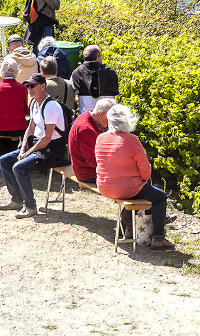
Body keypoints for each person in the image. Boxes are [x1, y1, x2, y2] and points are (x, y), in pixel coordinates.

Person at [95, 104, 174, 249]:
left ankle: (129, 229)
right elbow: (145, 173)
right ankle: (158, 236)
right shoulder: (131, 139)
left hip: (105, 185)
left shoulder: (101, 138)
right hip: (126, 188)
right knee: (160, 196)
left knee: (135, 190)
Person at [0, 73, 69, 219]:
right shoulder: (34, 103)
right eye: (27, 85)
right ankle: (17, 200)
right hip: (38, 146)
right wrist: (23, 149)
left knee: (19, 167)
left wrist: (27, 152)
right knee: (4, 160)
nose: (29, 88)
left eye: (32, 85)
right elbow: (30, 129)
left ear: (43, 86)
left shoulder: (51, 107)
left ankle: (30, 206)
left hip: (53, 151)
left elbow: (47, 138)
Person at [0, 56, 29, 156]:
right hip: (19, 126)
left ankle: (2, 158)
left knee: (3, 140)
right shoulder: (23, 88)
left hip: (0, 126)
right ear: (17, 72)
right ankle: (11, 157)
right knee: (13, 139)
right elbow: (25, 109)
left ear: (2, 71)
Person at [68, 97, 115, 183]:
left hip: (88, 168)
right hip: (87, 173)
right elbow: (93, 162)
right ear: (102, 114)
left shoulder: (93, 117)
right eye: (111, 118)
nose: (112, 122)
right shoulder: (86, 128)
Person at [70, 45, 120, 114]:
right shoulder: (111, 72)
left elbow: (72, 96)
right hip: (106, 117)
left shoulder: (77, 73)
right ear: (97, 58)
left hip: (86, 117)